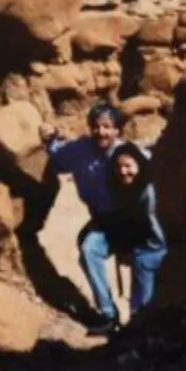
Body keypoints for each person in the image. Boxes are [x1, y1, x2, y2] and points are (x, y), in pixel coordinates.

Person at [40, 102, 132, 335]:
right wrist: (50, 137)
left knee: (92, 249)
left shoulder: (128, 155)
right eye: (97, 126)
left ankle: (135, 317)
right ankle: (109, 315)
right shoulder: (82, 150)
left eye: (107, 127)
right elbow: (59, 156)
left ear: (117, 130)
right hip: (102, 221)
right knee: (88, 247)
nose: (101, 132)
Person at [105, 142, 167, 316]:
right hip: (143, 252)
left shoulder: (147, 192)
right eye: (118, 167)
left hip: (151, 251)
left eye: (128, 166)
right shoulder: (129, 191)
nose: (123, 171)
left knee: (143, 305)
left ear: (139, 165)